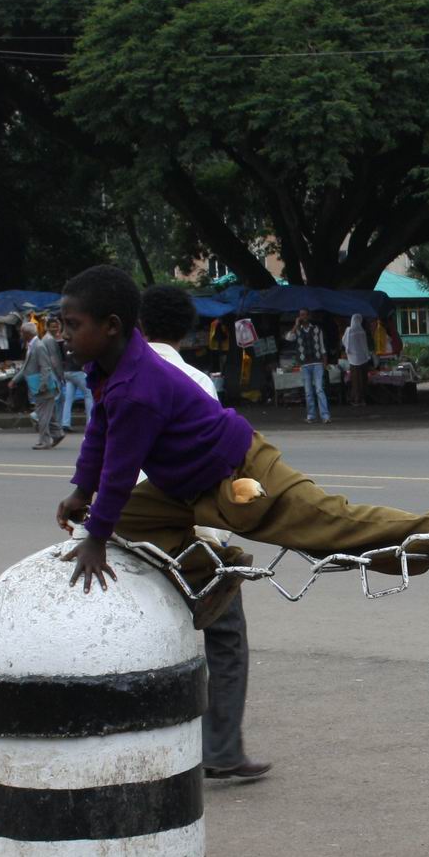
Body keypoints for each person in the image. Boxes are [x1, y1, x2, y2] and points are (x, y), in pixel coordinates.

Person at [51, 266, 429, 607]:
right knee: (125, 519)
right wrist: (81, 493)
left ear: (112, 325)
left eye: (72, 324)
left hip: (238, 471)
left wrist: (95, 539)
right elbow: (98, 435)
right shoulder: (108, 369)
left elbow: (120, 468)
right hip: (184, 485)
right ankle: (216, 568)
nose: (63, 335)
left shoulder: (136, 389)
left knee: (332, 523)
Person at [139, 285, 272, 786]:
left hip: (121, 524)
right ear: (190, 331)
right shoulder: (194, 379)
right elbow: (210, 465)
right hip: (184, 532)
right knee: (226, 635)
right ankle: (222, 748)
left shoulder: (113, 375)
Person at [18, 319, 66, 449]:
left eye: (22, 333)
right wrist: (15, 380)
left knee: (42, 415)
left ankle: (44, 441)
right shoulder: (32, 345)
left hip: (43, 387)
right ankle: (57, 434)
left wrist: (43, 384)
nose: (21, 335)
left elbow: (46, 367)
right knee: (48, 414)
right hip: (39, 386)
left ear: (27, 333)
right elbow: (26, 367)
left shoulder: (39, 346)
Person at [288, 309, 332, 424]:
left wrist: (325, 363)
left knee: (319, 389)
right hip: (305, 365)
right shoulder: (297, 330)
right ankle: (311, 415)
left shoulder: (317, 329)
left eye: (304, 315)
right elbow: (288, 338)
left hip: (317, 364)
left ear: (309, 316)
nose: (303, 317)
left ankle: (325, 416)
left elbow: (322, 347)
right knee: (308, 392)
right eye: (301, 315)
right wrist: (296, 325)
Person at [54, 317, 93, 432]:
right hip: (77, 371)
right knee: (88, 394)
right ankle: (90, 422)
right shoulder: (78, 342)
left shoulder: (65, 343)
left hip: (67, 372)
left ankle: (65, 422)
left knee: (68, 398)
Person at [341, 314, 372, 407]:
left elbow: (343, 341)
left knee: (355, 380)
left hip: (352, 360)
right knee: (362, 379)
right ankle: (362, 399)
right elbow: (364, 346)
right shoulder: (362, 331)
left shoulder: (348, 330)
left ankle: (356, 399)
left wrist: (349, 350)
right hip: (362, 359)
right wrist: (368, 356)